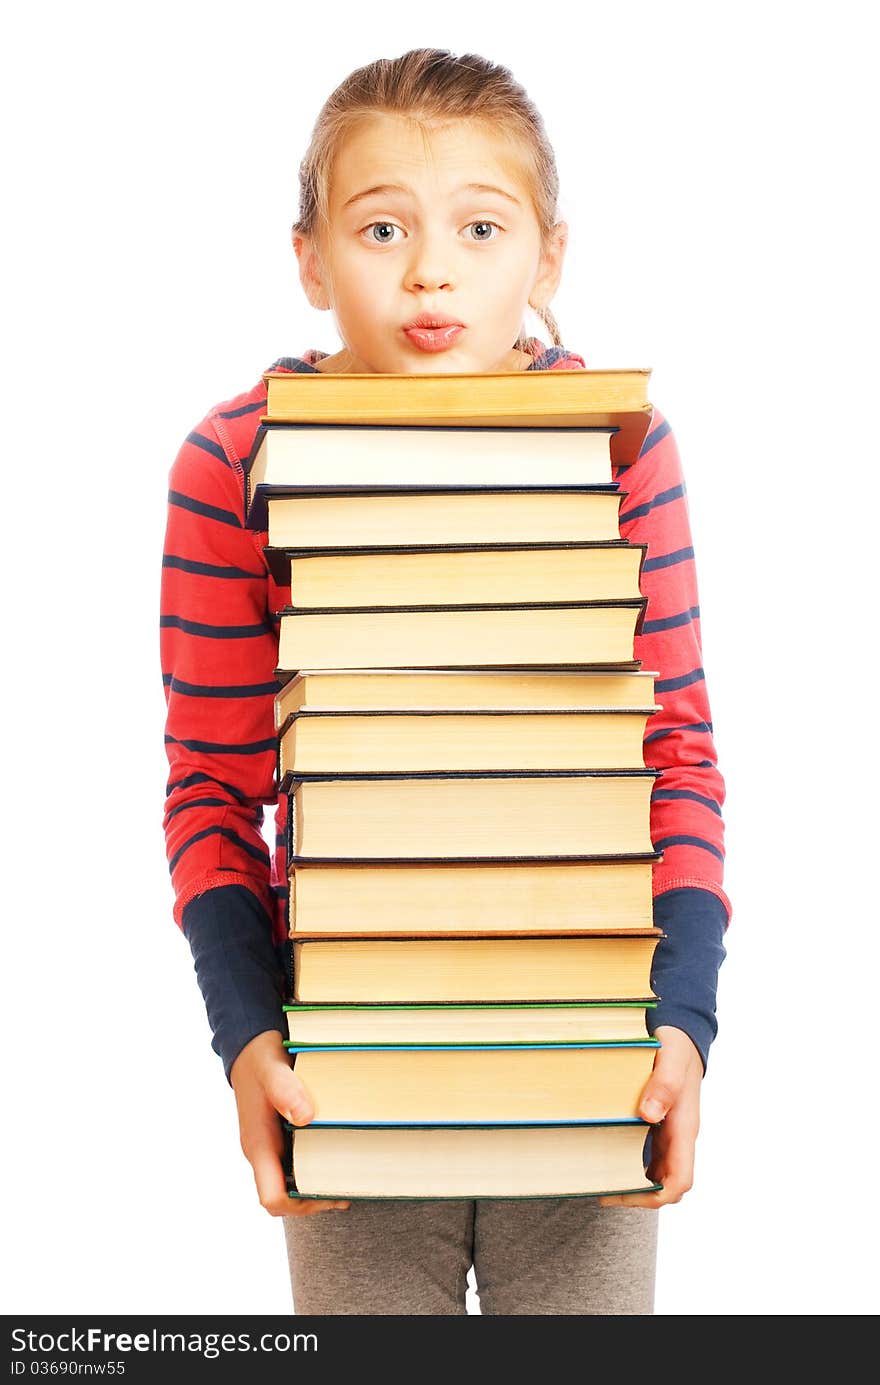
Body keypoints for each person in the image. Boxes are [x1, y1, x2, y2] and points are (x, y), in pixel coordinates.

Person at [160, 47, 731, 1316]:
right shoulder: (231, 459)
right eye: (380, 227)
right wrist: (249, 1036)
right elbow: (208, 783)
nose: (431, 270)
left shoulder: (618, 443)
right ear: (309, 258)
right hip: (348, 1070)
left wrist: (683, 1018)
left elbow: (676, 748)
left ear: (548, 256)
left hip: (586, 1061)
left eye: (481, 226)